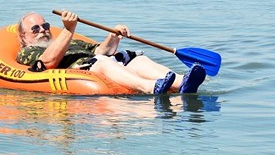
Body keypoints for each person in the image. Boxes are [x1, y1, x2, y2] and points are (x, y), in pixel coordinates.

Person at [16, 11, 207, 95]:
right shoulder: (28, 52)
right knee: (102, 62)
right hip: (89, 69)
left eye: (45, 26)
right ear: (23, 37)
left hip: (103, 61)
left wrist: (113, 36)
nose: (42, 30)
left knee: (137, 59)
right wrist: (69, 29)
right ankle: (151, 87)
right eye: (35, 29)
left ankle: (183, 82)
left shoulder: (71, 42)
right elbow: (47, 63)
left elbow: (100, 50)